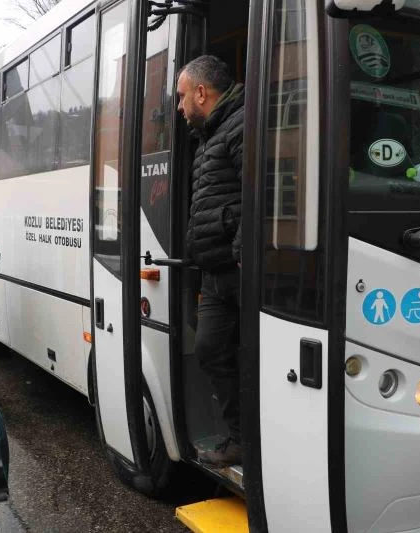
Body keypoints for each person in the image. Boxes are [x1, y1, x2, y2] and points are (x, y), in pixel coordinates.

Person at [176, 55, 244, 467]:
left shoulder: (242, 124)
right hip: (214, 272)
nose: (181, 108)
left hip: (237, 271)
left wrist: (241, 257)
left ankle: (250, 440)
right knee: (210, 349)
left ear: (202, 93)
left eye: (183, 97)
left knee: (246, 355)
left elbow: (260, 195)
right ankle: (241, 436)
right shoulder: (209, 135)